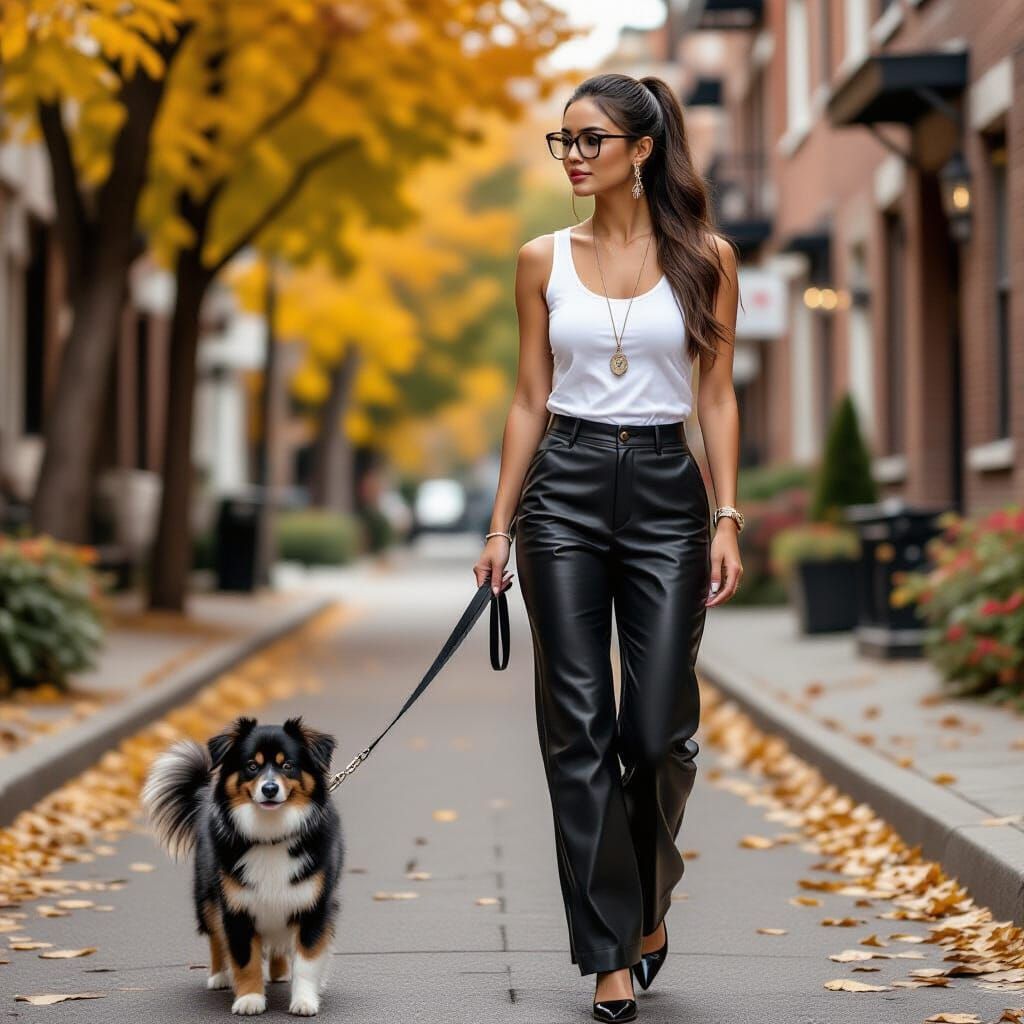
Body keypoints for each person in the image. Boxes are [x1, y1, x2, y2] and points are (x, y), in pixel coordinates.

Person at [475, 72, 743, 1022]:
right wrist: (502, 524)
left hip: (671, 495)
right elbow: (525, 398)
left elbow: (715, 397)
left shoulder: (707, 257)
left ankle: (646, 902)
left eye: (590, 140)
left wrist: (726, 515)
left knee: (661, 733)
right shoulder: (540, 259)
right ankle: (608, 957)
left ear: (641, 148)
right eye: (565, 142)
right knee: (577, 728)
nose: (575, 157)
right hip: (565, 496)